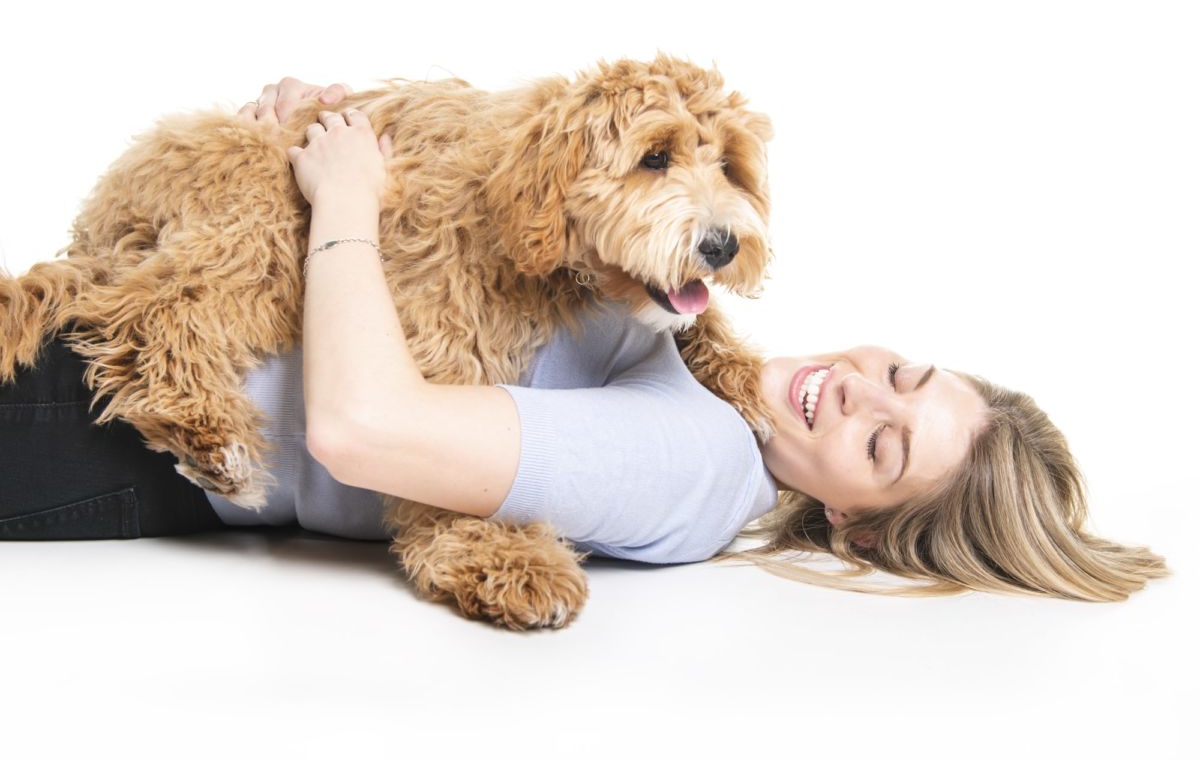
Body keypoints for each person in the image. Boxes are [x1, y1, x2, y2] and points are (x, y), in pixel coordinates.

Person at [0, 78, 1169, 605]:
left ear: (859, 524)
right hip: (110, 330)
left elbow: (366, 427)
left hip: (111, 432)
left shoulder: (702, 470)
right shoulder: (691, 346)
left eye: (883, 445)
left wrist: (343, 194)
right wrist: (349, 124)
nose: (855, 393)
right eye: (900, 374)